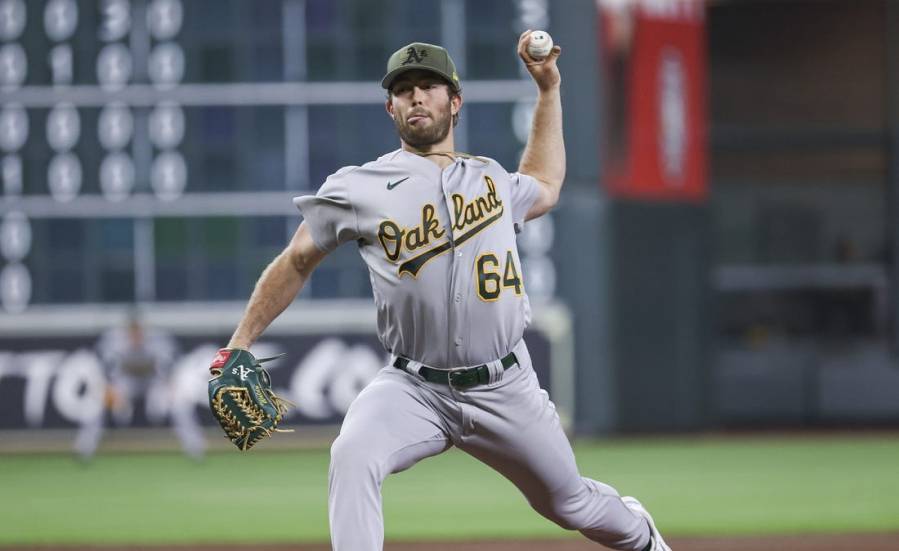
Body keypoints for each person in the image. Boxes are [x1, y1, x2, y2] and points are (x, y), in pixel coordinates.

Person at [214, 34, 671, 551]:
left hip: (505, 386)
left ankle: (642, 535)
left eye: (428, 85)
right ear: (390, 107)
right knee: (353, 453)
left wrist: (548, 91)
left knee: (570, 504)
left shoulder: (492, 181)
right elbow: (297, 259)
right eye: (403, 89)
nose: (416, 96)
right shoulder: (358, 186)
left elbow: (544, 182)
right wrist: (241, 340)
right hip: (414, 388)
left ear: (453, 101)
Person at [76, 312, 205, 460]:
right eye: (132, 332)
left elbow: (172, 366)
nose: (136, 336)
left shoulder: (158, 340)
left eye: (138, 332)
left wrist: (171, 386)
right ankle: (85, 448)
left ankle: (195, 448)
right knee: (96, 400)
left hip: (155, 384)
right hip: (125, 384)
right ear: (126, 331)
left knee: (179, 402)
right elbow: (103, 368)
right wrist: (108, 389)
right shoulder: (113, 341)